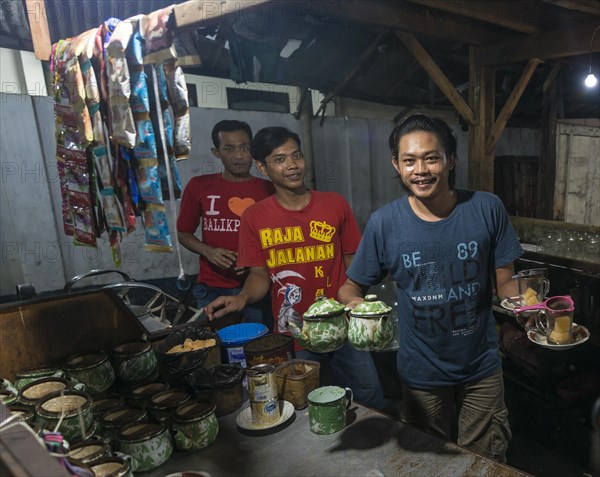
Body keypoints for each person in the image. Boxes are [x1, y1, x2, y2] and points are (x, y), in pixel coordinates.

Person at [338, 114, 523, 462]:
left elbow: (505, 283)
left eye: (431, 158)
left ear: (450, 159)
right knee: (428, 461)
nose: (420, 170)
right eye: (409, 161)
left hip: (481, 366)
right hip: (421, 371)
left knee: (484, 461)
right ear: (396, 164)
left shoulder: (486, 209)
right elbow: (350, 287)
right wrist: (359, 310)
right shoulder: (385, 223)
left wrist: (527, 307)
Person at [205, 126, 388, 411]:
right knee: (303, 405)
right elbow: (259, 276)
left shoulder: (335, 204)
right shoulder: (255, 217)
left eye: (297, 156)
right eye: (279, 159)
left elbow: (354, 263)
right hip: (295, 331)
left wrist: (363, 295)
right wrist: (241, 298)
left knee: (370, 399)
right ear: (263, 168)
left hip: (343, 324)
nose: (292, 165)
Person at [177, 120, 275, 328]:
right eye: (229, 149)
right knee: (215, 349)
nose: (238, 156)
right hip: (211, 288)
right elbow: (183, 233)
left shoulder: (270, 190)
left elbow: (283, 238)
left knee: (256, 349)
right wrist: (208, 251)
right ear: (216, 152)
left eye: (244, 147)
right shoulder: (199, 186)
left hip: (258, 288)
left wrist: (256, 262)